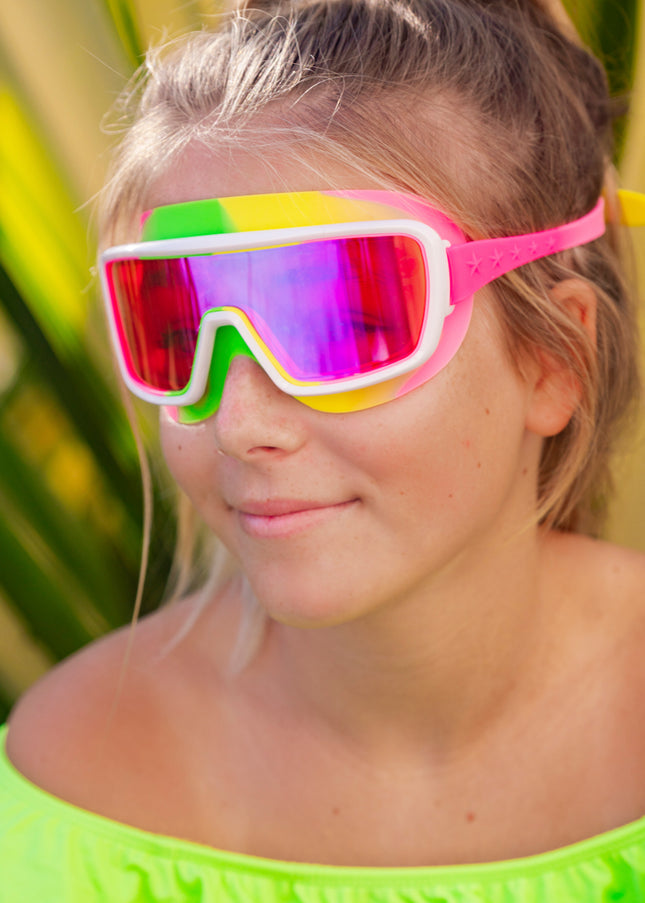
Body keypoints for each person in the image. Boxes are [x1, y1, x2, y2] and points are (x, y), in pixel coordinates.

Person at [2, 0, 645, 899]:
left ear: (553, 359)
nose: (239, 424)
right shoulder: (77, 780)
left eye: (346, 319)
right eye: (177, 323)